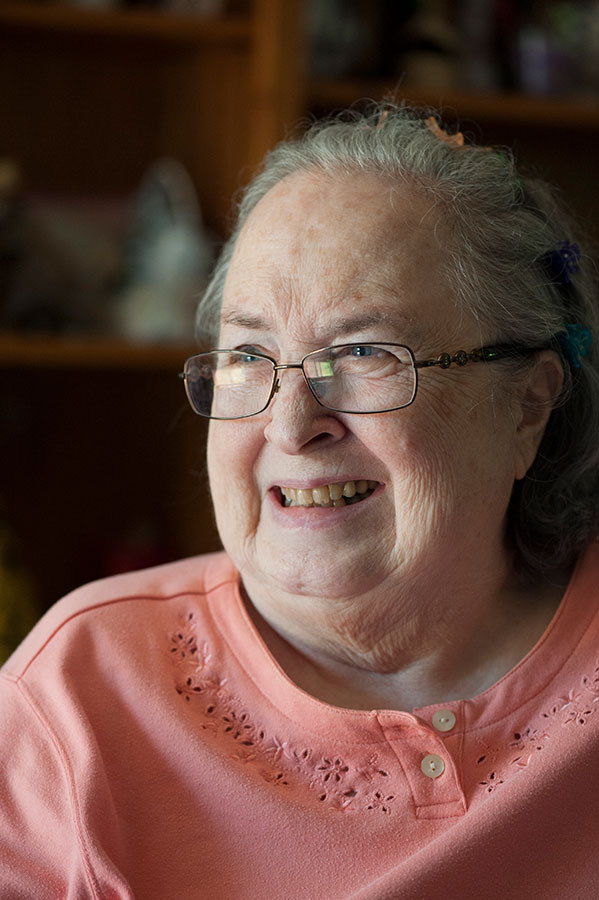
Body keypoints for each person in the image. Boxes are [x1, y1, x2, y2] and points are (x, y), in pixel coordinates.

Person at [1, 104, 598, 899]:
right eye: (248, 354)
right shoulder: (80, 695)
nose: (290, 422)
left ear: (526, 404)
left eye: (360, 352)